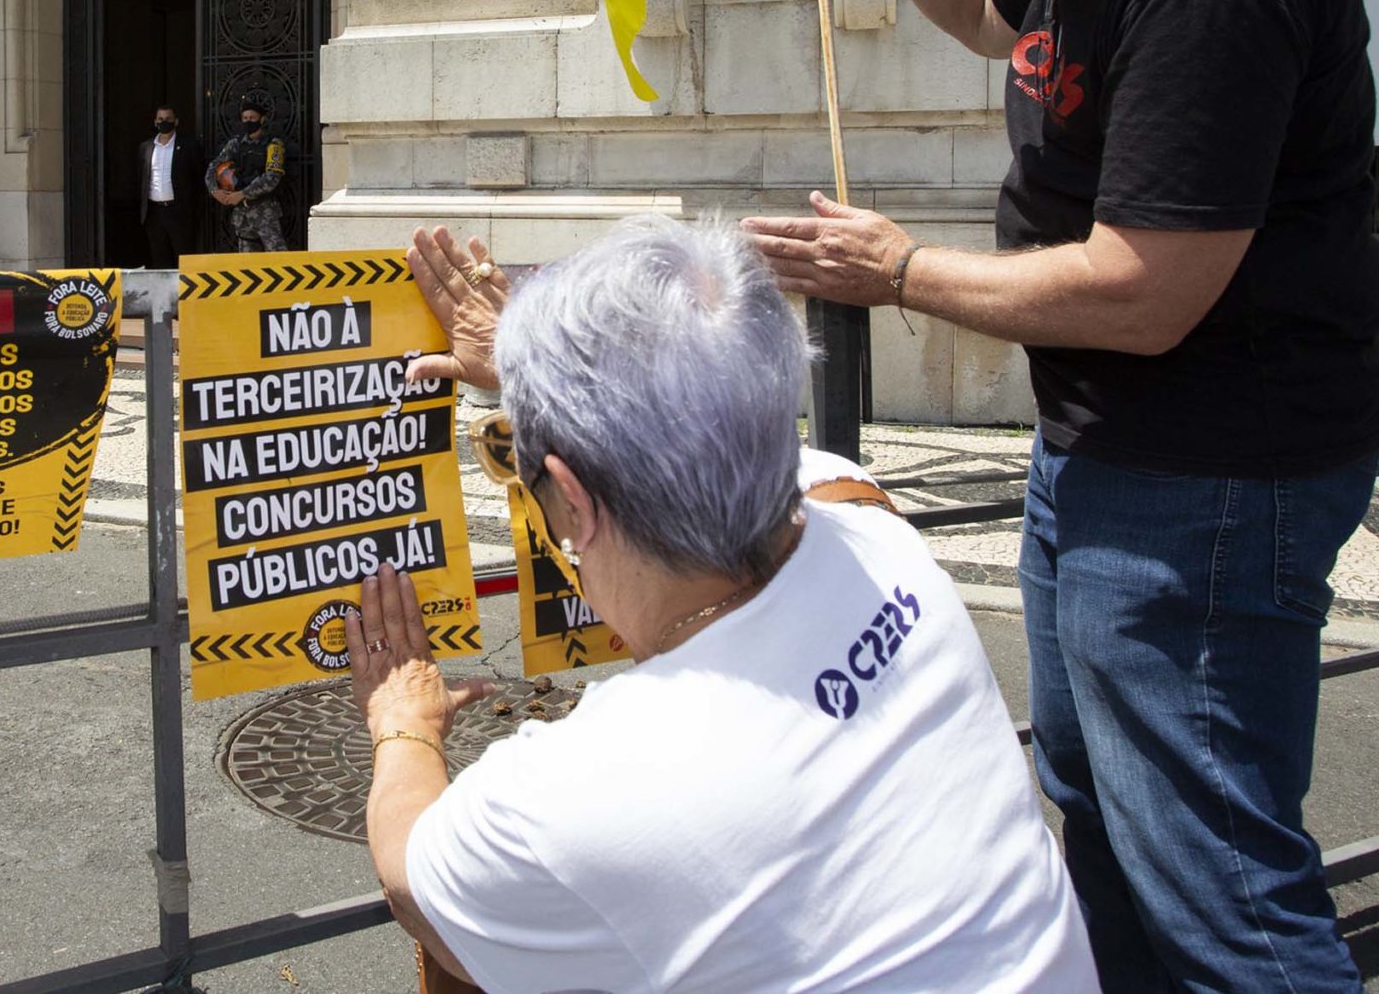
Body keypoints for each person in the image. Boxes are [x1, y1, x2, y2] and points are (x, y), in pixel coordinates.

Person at [741, 0, 1379, 991]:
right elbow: (984, 7)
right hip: (1108, 458)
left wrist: (902, 268)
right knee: (1108, 833)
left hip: (1204, 478)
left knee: (1218, 888)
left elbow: (1147, 291)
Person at [351, 219, 1097, 992]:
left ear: (574, 498)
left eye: (528, 478)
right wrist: (536, 371)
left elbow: (413, 876)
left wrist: (403, 716)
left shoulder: (588, 790)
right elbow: (710, 418)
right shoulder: (875, 526)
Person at [205, 93, 288, 252]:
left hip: (265, 212)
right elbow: (214, 166)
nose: (248, 121)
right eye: (245, 118)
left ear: (262, 119)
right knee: (247, 264)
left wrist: (243, 194)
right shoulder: (236, 144)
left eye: (252, 117)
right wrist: (214, 190)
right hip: (242, 215)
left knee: (277, 257)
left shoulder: (273, 144)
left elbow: (272, 177)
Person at [137, 102, 203, 268]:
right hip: (154, 213)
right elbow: (141, 179)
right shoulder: (145, 147)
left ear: (176, 121)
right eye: (160, 119)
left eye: (168, 119)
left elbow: (198, 177)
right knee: (159, 259)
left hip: (179, 212)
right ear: (155, 121)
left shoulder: (188, 146)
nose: (163, 122)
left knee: (184, 260)